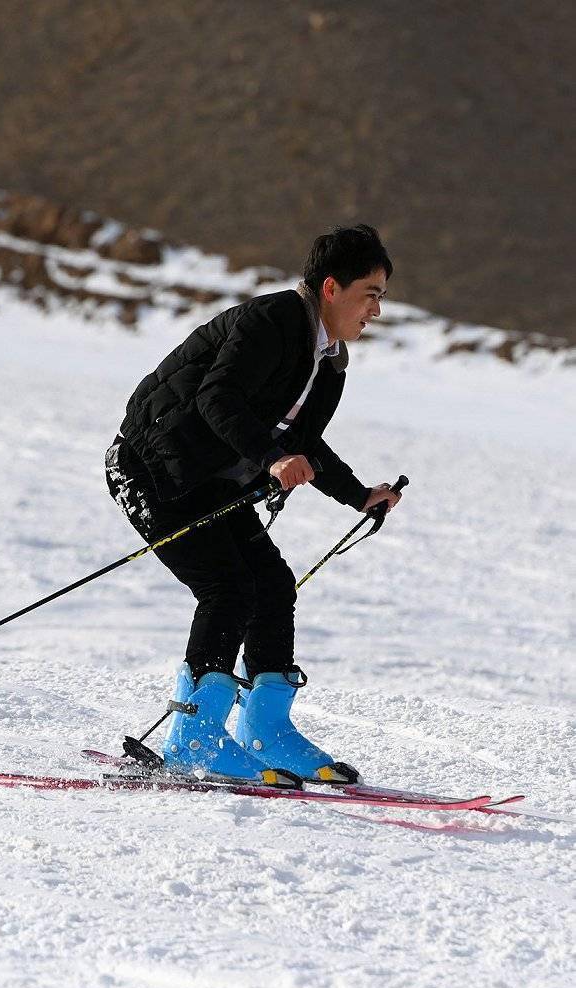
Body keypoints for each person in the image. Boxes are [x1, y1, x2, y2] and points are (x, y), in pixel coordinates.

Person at [106, 224, 401, 784]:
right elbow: (217, 397)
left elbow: (303, 441)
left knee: (271, 583)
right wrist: (269, 458)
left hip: (211, 482)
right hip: (153, 472)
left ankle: (267, 731)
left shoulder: (329, 361)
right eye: (373, 294)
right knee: (228, 587)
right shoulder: (273, 321)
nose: (376, 312)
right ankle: (193, 740)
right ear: (332, 288)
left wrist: (359, 495)